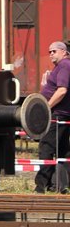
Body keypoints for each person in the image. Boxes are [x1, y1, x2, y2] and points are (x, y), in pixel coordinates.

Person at [35, 41, 70, 193]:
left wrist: (47, 107)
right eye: (49, 51)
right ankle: (61, 185)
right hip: (61, 115)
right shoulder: (62, 67)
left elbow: (62, 90)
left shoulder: (64, 65)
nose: (50, 54)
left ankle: (41, 185)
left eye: (53, 51)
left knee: (46, 148)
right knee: (62, 151)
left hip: (56, 115)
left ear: (64, 52)